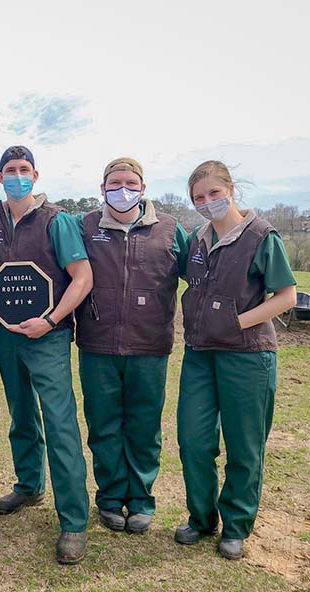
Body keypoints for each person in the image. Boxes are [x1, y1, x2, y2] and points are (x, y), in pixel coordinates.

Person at [175, 160, 297, 560]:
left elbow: (286, 297)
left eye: (214, 193)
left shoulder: (262, 236)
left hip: (246, 355)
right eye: (199, 198)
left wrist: (234, 323)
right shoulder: (196, 240)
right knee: (194, 441)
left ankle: (237, 525)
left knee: (244, 446)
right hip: (199, 354)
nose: (208, 202)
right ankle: (201, 518)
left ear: (231, 189)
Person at [0, 145, 92, 564]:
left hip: (48, 335)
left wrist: (51, 318)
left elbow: (82, 277)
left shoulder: (56, 220)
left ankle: (74, 521)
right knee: (21, 416)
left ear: (36, 175)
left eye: (24, 169)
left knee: (60, 423)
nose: (17, 176)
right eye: (10, 170)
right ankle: (29, 484)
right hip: (6, 336)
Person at [75, 157, 190, 534]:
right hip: (97, 346)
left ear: (143, 188)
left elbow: (204, 275)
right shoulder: (85, 227)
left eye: (130, 182)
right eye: (114, 183)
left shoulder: (170, 230)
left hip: (150, 347)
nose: (122, 189)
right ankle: (109, 498)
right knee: (103, 425)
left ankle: (140, 500)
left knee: (143, 425)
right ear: (102, 187)